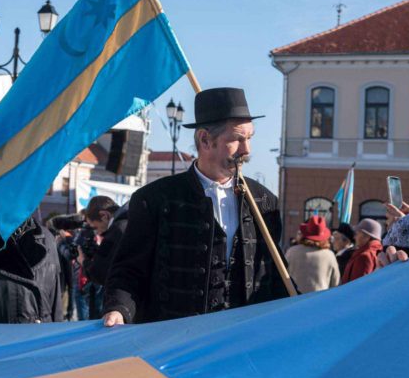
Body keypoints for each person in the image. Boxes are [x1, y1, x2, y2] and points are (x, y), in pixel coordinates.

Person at [103, 87, 290, 326]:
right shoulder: (155, 199)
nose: (247, 150)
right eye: (237, 139)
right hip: (173, 342)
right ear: (204, 139)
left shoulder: (264, 202)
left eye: (249, 138)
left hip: (240, 341)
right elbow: (128, 271)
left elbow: (274, 278)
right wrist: (119, 310)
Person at [285, 216, 339, 292]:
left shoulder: (292, 251)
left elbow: (283, 276)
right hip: (319, 300)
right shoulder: (329, 255)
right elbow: (335, 283)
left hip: (294, 298)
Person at [341, 219, 382, 284]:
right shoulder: (377, 251)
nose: (354, 237)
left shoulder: (364, 256)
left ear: (367, 237)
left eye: (357, 234)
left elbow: (358, 286)